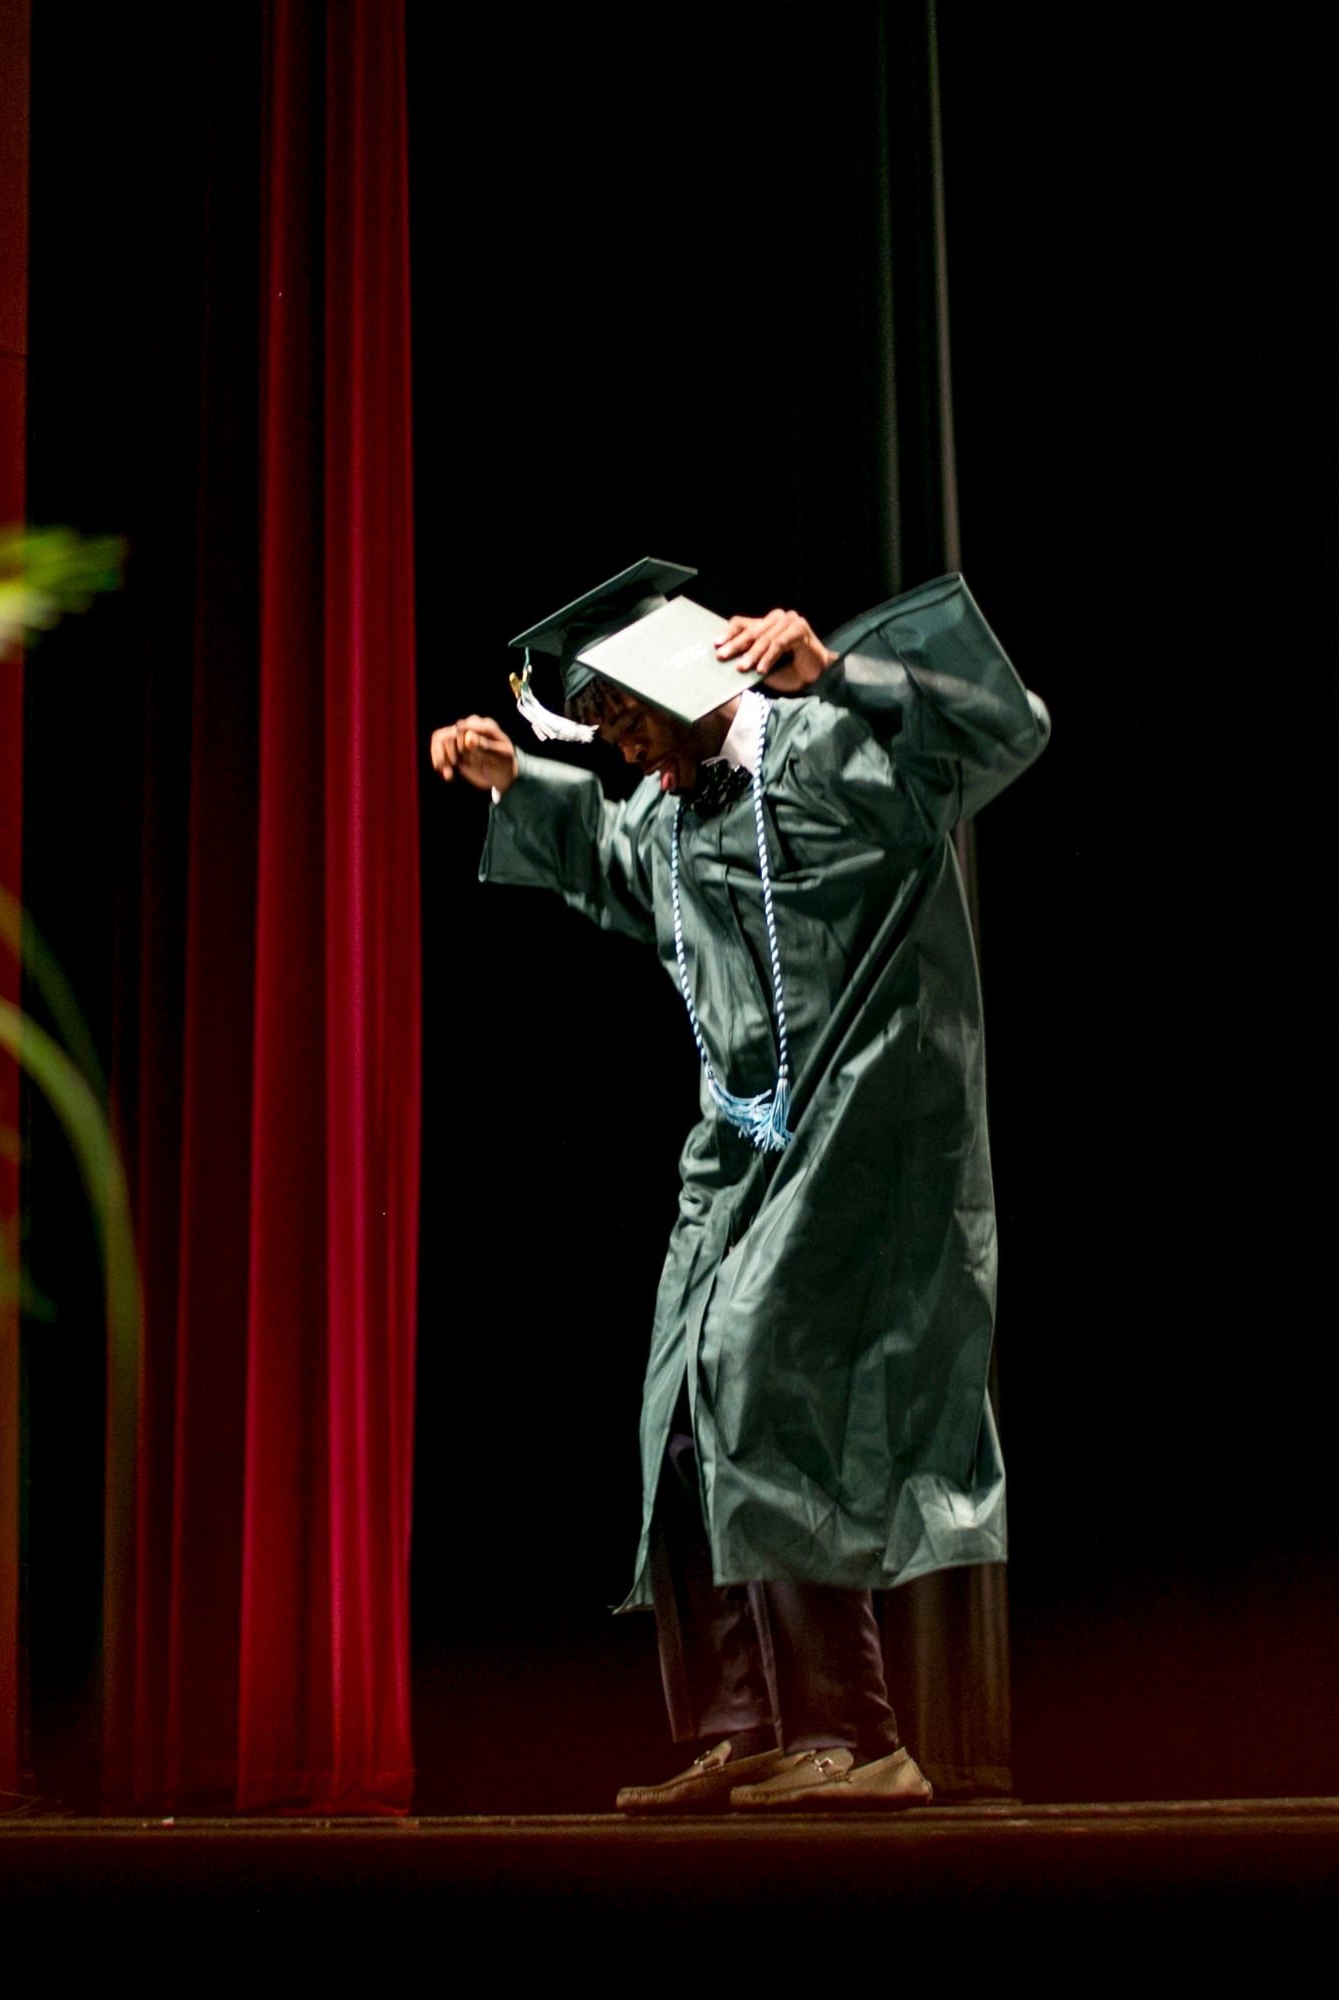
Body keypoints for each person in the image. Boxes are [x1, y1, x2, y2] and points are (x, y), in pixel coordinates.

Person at [427, 565, 1047, 1811]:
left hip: (867, 1116)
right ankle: (751, 1722)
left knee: (765, 1369)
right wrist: (512, 779)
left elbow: (1000, 726)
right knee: (682, 1403)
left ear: (679, 676)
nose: (627, 749)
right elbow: (615, 860)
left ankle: (858, 1734)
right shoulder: (679, 811)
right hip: (741, 1146)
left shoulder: (822, 748)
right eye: (604, 728)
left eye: (628, 716)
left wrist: (836, 672)